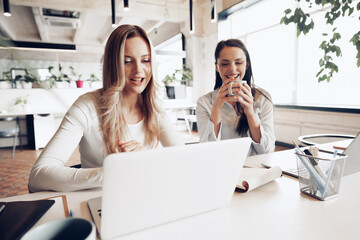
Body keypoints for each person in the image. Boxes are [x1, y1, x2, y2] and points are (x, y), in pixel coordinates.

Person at [29, 25, 183, 192]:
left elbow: (183, 159)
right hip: (100, 202)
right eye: (127, 61)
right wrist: (113, 172)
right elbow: (38, 176)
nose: (139, 70)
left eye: (145, 60)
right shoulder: (86, 107)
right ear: (113, 65)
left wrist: (144, 160)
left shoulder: (155, 108)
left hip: (145, 194)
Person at [196, 39, 275, 156]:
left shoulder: (263, 98)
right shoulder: (204, 102)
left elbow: (267, 151)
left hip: (254, 170)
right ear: (217, 67)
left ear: (246, 65)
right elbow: (207, 152)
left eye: (238, 63)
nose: (232, 69)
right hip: (222, 168)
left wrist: (250, 112)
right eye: (224, 63)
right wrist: (217, 107)